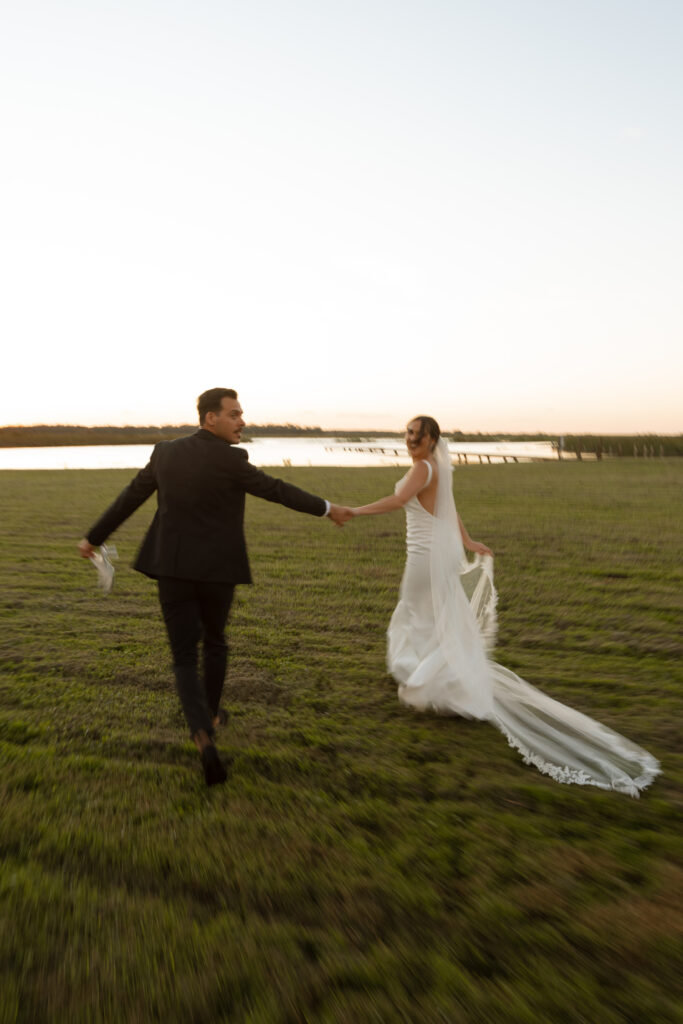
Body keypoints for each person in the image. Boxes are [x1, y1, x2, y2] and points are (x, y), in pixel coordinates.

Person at [351, 416, 660, 796]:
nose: (410, 439)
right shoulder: (438, 467)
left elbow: (399, 501)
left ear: (432, 439)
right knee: (428, 613)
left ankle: (432, 682)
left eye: (417, 434)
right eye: (407, 433)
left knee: (415, 611)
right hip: (435, 552)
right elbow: (450, 509)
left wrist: (353, 511)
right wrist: (468, 540)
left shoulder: (422, 468)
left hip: (425, 556)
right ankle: (434, 672)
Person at [78, 388, 352, 787]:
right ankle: (210, 715)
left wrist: (94, 537)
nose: (243, 421)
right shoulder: (232, 459)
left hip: (171, 566)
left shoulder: (165, 452)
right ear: (210, 418)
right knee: (216, 641)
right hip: (218, 570)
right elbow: (277, 490)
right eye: (235, 414)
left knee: (184, 656)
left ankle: (202, 735)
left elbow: (131, 497)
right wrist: (327, 509)